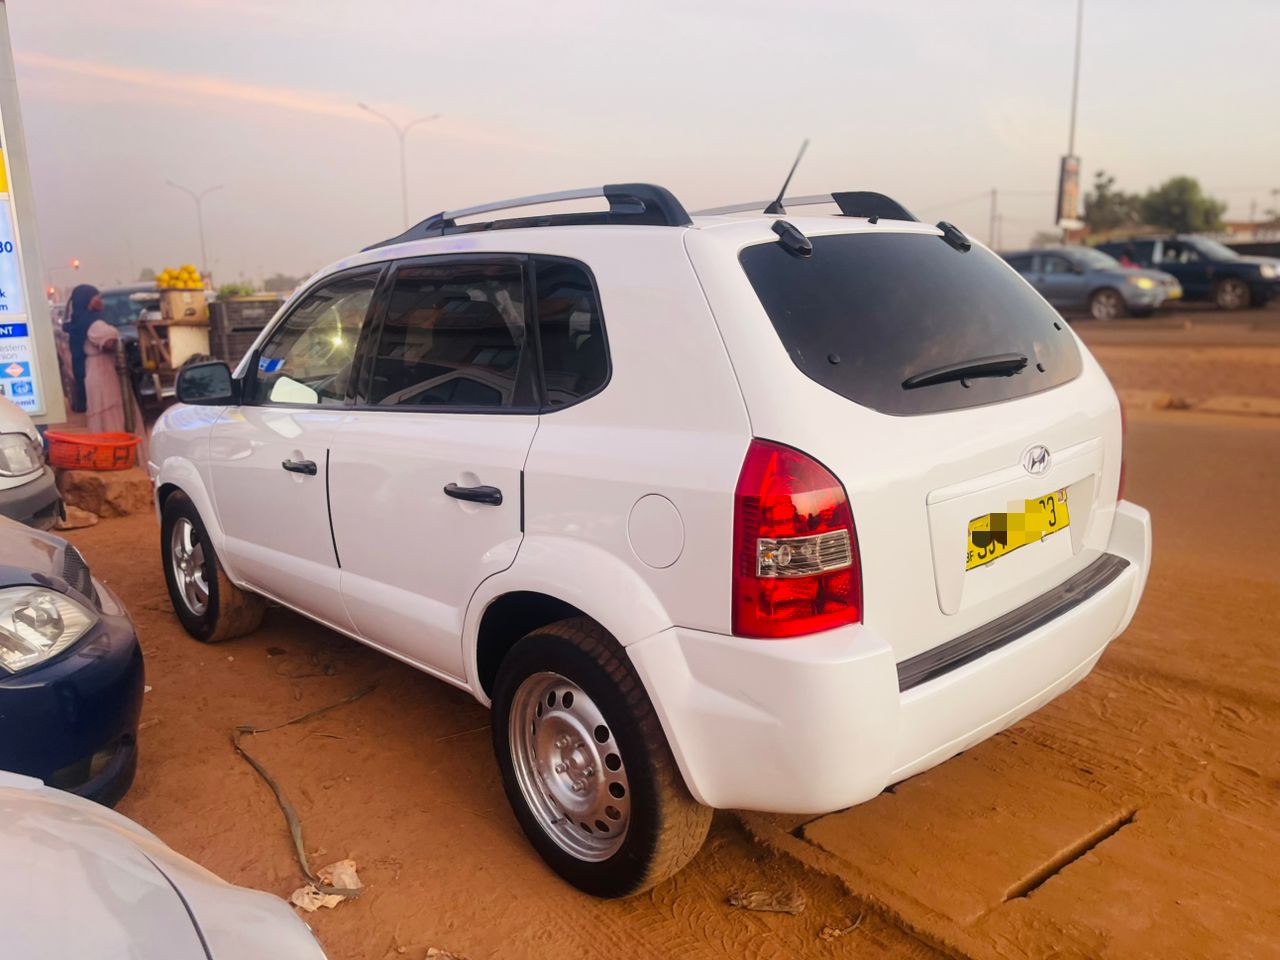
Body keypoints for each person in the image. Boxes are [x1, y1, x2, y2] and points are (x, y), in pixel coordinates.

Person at [83, 307, 126, 433]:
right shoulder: (95, 324)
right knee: (109, 410)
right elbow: (109, 341)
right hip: (102, 372)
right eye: (97, 297)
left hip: (96, 371)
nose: (101, 302)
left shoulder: (83, 324)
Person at [64, 284, 99, 413]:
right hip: (95, 375)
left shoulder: (76, 322)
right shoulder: (91, 322)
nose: (101, 301)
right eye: (97, 298)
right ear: (86, 301)